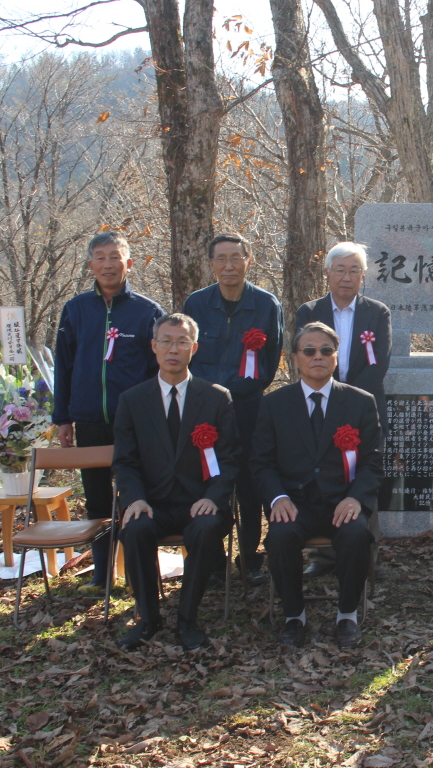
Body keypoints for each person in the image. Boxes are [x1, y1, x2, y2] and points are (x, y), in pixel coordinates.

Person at [111, 314, 239, 651]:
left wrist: (214, 497)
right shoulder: (132, 400)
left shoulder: (216, 398)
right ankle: (148, 618)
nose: (173, 349)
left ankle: (187, 619)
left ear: (193, 348)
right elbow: (125, 461)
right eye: (166, 341)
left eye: (182, 342)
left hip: (200, 502)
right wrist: (134, 498)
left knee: (207, 528)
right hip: (151, 502)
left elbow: (229, 460)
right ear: (153, 347)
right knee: (134, 528)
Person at [250, 322, 382, 648]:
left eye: (326, 350)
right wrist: (277, 497)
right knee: (280, 536)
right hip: (296, 502)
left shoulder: (360, 402)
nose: (318, 356)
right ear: (295, 357)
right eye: (309, 350)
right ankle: (294, 616)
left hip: (342, 501)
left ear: (337, 357)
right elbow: (261, 462)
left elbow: (373, 461)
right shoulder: (274, 404)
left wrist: (356, 499)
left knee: (356, 535)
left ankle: (347, 614)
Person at [53, 231, 165, 593]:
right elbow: (64, 366)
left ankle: (139, 573)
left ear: (128, 263)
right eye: (99, 257)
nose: (107, 264)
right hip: (88, 420)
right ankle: (103, 575)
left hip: (134, 423)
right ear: (90, 265)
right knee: (98, 500)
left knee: (139, 496)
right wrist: (62, 418)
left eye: (114, 257)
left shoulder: (147, 312)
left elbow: (157, 370)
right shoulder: (76, 310)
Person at [183, 232, 284, 585]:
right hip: (205, 412)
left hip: (248, 408)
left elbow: (269, 362)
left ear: (248, 260)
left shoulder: (266, 304)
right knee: (209, 480)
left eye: (236, 257)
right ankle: (214, 559)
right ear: (211, 264)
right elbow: (188, 356)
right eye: (221, 258)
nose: (229, 265)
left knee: (250, 486)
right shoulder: (196, 304)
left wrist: (244, 389)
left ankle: (250, 558)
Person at [295, 242, 392, 576]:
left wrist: (350, 400)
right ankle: (321, 557)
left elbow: (379, 364)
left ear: (363, 276)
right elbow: (307, 359)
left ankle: (367, 554)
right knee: (323, 473)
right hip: (319, 405)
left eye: (354, 270)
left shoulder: (377, 312)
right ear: (328, 274)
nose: (347, 277)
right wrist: (332, 398)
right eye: (340, 269)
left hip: (365, 407)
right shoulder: (309, 312)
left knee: (365, 474)